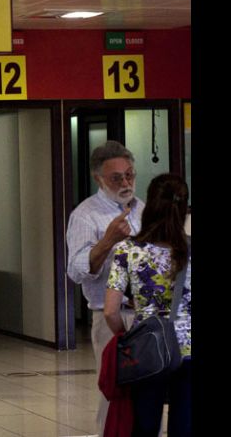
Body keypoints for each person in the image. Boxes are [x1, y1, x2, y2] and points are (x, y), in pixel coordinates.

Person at [103, 173, 191, 437]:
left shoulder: (127, 250)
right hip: (189, 352)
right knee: (185, 426)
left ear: (150, 205)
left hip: (146, 350)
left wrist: (126, 337)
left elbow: (110, 311)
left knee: (144, 426)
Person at [65, 140, 144, 434]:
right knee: (115, 393)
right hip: (110, 317)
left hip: (146, 316)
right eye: (116, 178)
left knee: (147, 391)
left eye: (129, 175)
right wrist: (108, 240)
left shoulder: (142, 209)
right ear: (99, 179)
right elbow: (75, 271)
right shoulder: (86, 215)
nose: (125, 183)